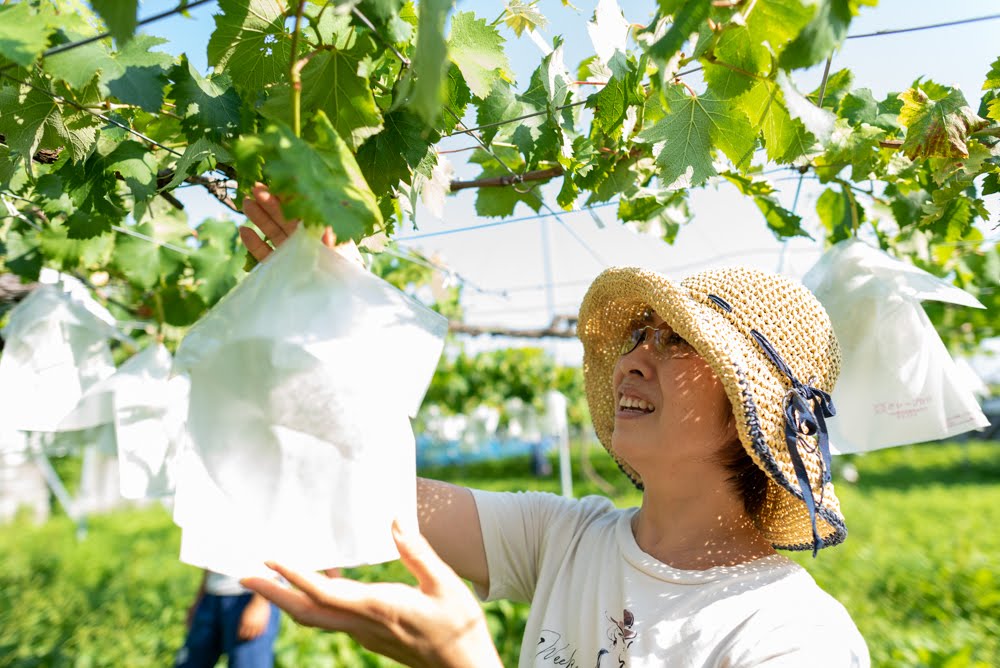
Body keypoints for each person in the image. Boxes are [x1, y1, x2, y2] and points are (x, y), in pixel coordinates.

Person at [237, 185, 870, 667]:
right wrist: (334, 307)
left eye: (677, 343)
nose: (633, 360)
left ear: (749, 414)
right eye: (639, 336)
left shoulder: (789, 636)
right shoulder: (565, 539)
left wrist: (463, 657)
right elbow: (372, 487)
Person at [175, 569, 280, 668]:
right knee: (190, 662)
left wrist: (260, 601)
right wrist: (199, 598)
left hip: (249, 595)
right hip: (211, 593)